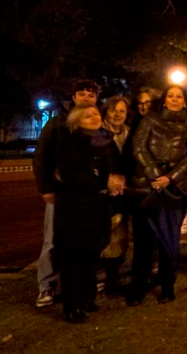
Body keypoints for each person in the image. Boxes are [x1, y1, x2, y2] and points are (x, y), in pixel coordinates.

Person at [127, 86, 187, 306]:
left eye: (179, 96)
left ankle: (167, 284)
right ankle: (139, 284)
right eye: (171, 96)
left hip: (174, 189)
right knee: (143, 241)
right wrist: (155, 174)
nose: (175, 99)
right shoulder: (150, 120)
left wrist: (171, 177)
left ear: (185, 101)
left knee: (169, 239)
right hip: (147, 187)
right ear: (164, 100)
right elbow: (138, 147)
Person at [32, 79, 100, 308]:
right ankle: (46, 285)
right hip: (60, 193)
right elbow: (42, 156)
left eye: (91, 95)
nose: (86, 98)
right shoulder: (57, 125)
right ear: (74, 97)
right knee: (52, 240)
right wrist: (45, 188)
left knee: (81, 241)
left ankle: (77, 283)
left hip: (86, 197)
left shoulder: (96, 126)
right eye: (81, 94)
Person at [55, 106, 123, 323]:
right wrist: (103, 182)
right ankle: (71, 304)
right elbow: (70, 175)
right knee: (74, 257)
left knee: (92, 254)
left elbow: (114, 168)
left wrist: (116, 180)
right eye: (88, 115)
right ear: (77, 121)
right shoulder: (71, 142)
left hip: (98, 204)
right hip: (75, 207)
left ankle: (87, 296)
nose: (95, 117)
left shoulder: (106, 142)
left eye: (96, 114)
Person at [99, 96, 133, 295]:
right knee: (106, 233)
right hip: (104, 192)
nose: (117, 114)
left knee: (120, 234)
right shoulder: (97, 133)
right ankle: (103, 275)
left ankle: (113, 276)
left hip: (125, 192)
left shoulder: (129, 134)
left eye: (122, 110)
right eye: (113, 110)